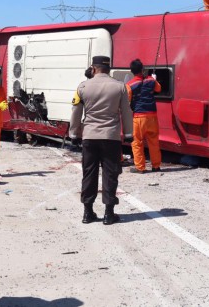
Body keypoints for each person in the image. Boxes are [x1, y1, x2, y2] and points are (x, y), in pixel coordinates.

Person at [69, 56, 134, 225]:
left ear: (93, 68)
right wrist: (128, 134)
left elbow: (76, 111)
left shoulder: (83, 86)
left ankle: (87, 212)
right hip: (111, 137)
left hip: (89, 136)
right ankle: (109, 213)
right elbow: (126, 112)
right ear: (108, 68)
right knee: (110, 174)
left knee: (89, 173)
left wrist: (74, 134)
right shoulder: (120, 87)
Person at [125, 59, 162, 173]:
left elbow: (128, 101)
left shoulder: (130, 85)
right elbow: (158, 89)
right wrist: (154, 79)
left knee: (137, 142)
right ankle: (156, 166)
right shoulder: (151, 80)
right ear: (142, 69)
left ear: (132, 71)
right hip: (152, 117)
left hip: (138, 117)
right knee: (154, 141)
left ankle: (140, 168)